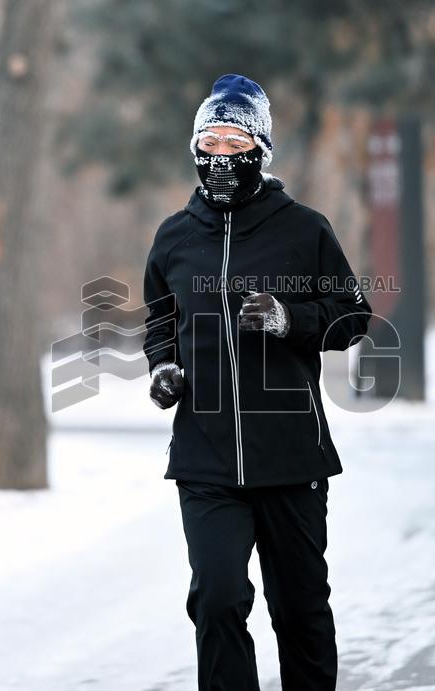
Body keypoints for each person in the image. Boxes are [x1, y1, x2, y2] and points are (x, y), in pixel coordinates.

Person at [142, 73, 372, 691]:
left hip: (290, 458)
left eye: (234, 143)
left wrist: (288, 318)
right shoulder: (173, 238)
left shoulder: (304, 230)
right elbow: (160, 324)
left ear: (260, 152)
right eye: (209, 144)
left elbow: (353, 317)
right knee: (217, 600)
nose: (220, 157)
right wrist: (163, 367)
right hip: (205, 459)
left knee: (298, 611)